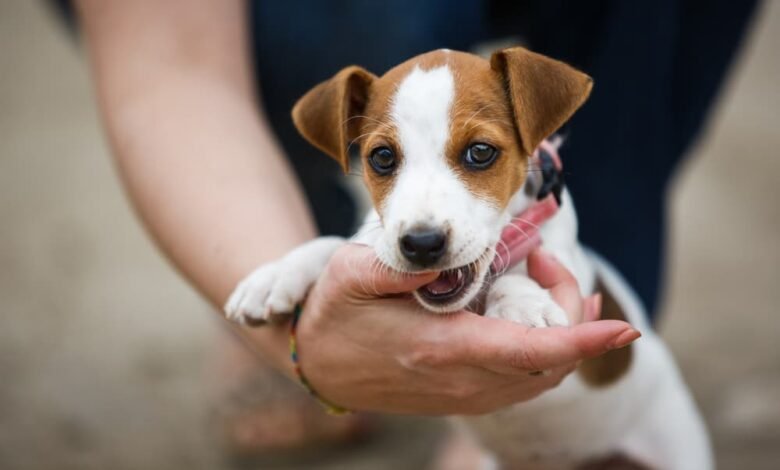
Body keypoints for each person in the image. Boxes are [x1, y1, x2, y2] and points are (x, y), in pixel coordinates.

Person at [70, 0, 756, 456]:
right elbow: (347, 257)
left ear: (540, 137)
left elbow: (546, 292)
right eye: (387, 160)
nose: (422, 220)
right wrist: (295, 277)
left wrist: (518, 298)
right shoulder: (384, 178)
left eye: (478, 155)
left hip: (640, 436)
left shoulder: (550, 211)